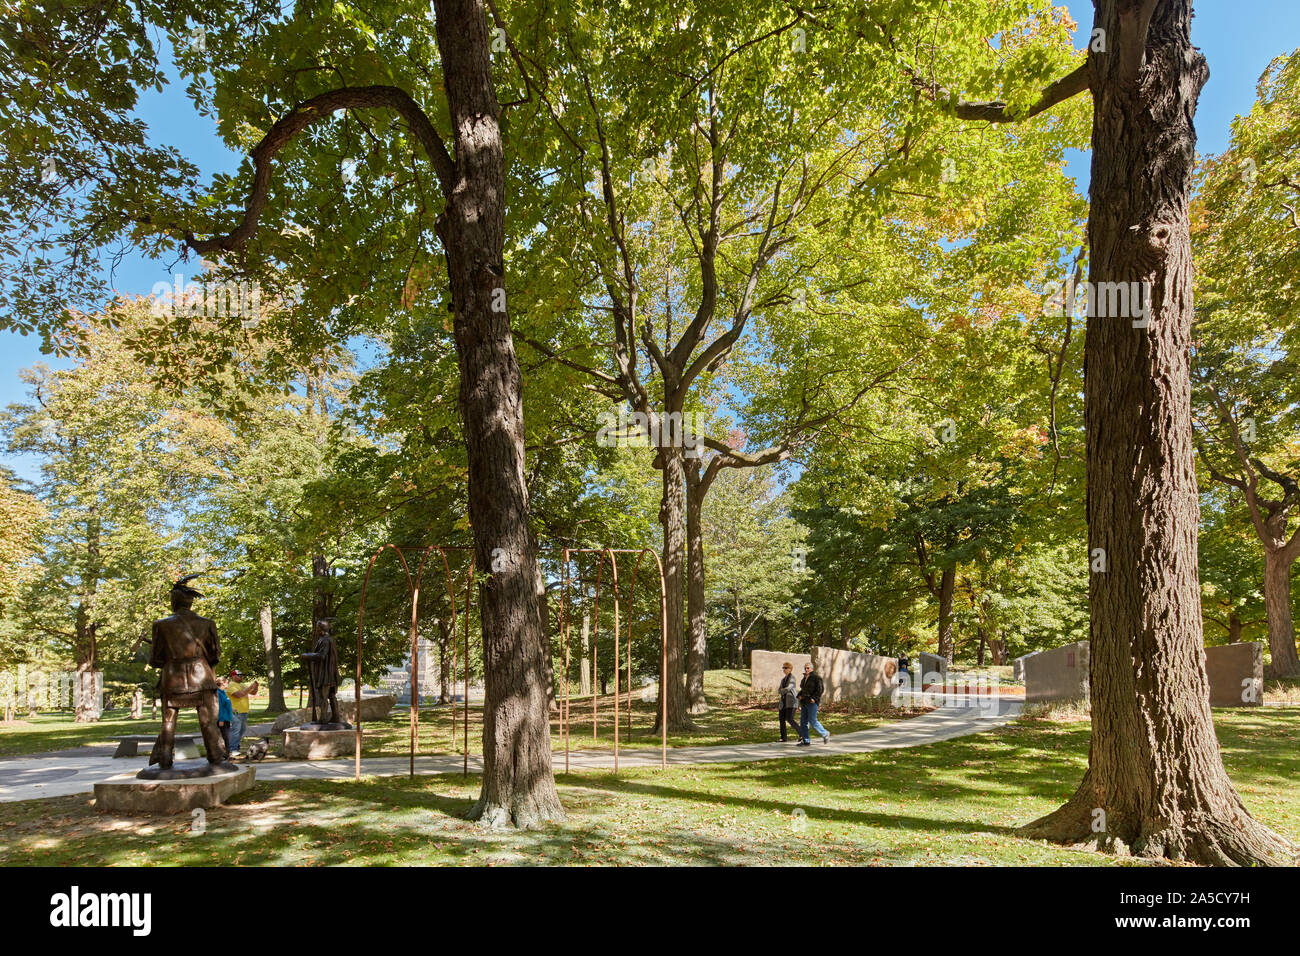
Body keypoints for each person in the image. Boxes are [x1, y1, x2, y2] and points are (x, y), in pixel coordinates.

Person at [142, 575, 228, 773]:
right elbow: (215, 654)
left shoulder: (161, 625)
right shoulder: (207, 623)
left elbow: (155, 658)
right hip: (201, 677)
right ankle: (215, 757)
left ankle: (164, 760)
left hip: (172, 678)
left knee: (168, 721)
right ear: (190, 603)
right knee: (208, 720)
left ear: (174, 601)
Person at [226, 668, 258, 757]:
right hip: (236, 712)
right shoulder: (231, 685)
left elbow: (253, 693)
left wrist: (255, 687)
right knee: (236, 729)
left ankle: (234, 746)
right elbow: (239, 695)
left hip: (243, 711)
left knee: (241, 730)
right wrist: (250, 687)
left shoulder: (242, 685)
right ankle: (232, 749)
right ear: (233, 677)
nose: (241, 677)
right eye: (238, 675)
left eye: (241, 675)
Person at [797, 661, 830, 746]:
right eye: (805, 668)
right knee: (803, 722)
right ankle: (806, 741)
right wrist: (799, 695)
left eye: (808, 668)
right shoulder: (804, 678)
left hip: (812, 703)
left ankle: (825, 734)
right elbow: (803, 690)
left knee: (813, 720)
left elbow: (820, 689)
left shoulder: (816, 678)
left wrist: (814, 699)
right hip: (804, 702)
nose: (806, 669)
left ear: (812, 669)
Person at [777, 661, 801, 742]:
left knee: (790, 719)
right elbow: (779, 690)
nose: (784, 669)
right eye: (783, 668)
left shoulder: (792, 678)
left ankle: (802, 734)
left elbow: (788, 688)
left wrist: (782, 690)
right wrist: (782, 690)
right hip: (783, 703)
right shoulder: (783, 680)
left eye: (786, 668)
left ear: (790, 669)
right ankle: (783, 738)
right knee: (781, 719)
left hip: (791, 702)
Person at [216, 677, 234, 758]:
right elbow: (219, 707)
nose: (228, 684)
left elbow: (225, 704)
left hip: (227, 718)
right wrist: (221, 719)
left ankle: (227, 754)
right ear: (222, 683)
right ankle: (225, 755)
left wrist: (232, 709)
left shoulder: (223, 692)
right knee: (225, 737)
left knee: (227, 737)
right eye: (227, 682)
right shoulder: (218, 693)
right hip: (222, 719)